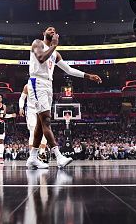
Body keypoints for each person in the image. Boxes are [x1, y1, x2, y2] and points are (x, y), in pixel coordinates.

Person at [26, 26, 102, 169]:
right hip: (37, 82)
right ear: (44, 34)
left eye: (54, 30)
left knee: (40, 124)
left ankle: (33, 158)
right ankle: (58, 156)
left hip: (48, 85)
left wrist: (88, 76)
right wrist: (54, 46)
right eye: (49, 29)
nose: (52, 31)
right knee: (46, 120)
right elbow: (41, 58)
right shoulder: (37, 43)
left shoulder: (55, 53)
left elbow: (68, 70)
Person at [19, 84, 48, 161]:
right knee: (32, 131)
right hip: (31, 110)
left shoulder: (43, 84)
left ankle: (42, 152)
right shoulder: (27, 86)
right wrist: (21, 107)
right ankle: (32, 155)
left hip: (42, 109)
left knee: (45, 130)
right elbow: (22, 98)